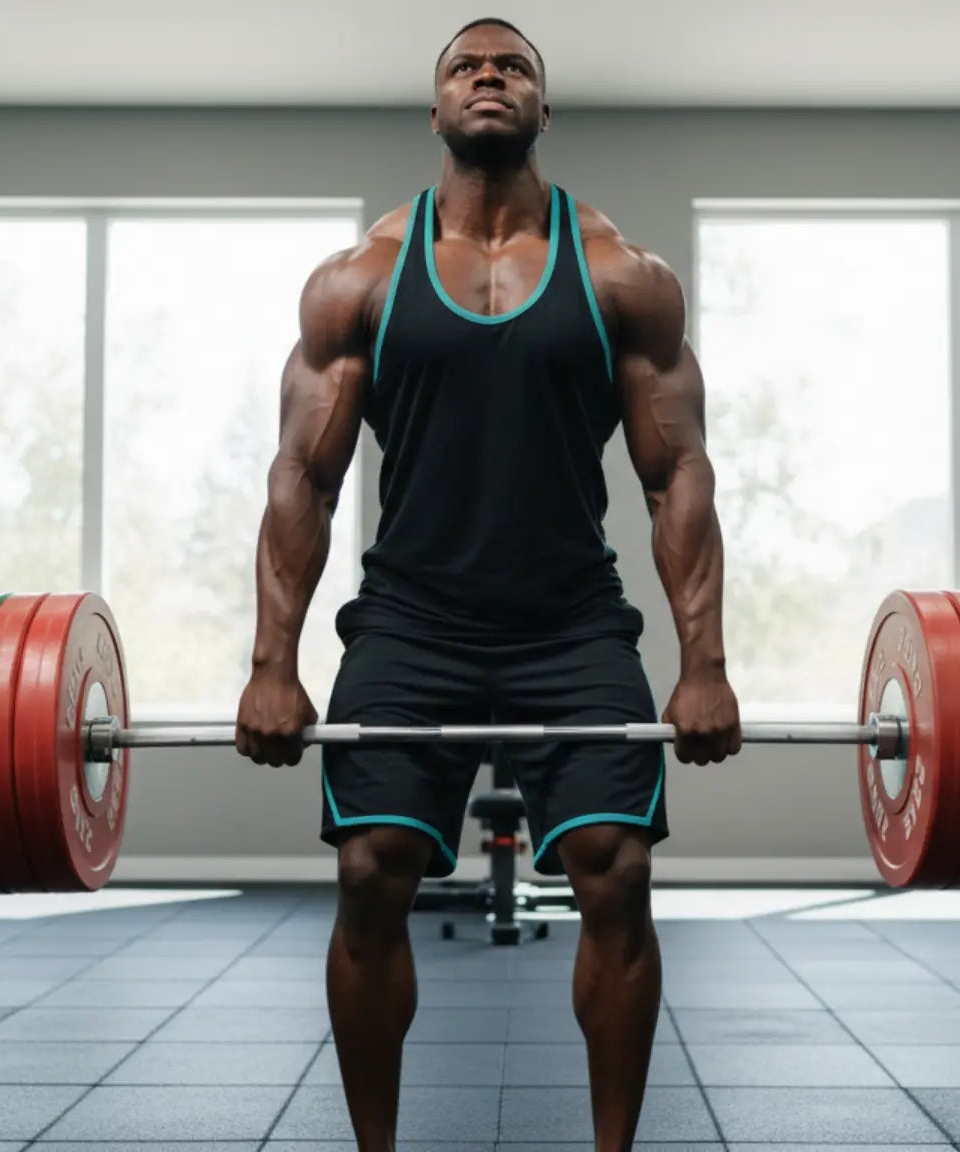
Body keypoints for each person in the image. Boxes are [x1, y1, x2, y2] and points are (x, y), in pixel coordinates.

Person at [236, 17, 740, 1151]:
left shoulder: (621, 275)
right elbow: (300, 480)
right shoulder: (359, 278)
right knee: (370, 871)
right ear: (435, 109)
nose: (488, 76)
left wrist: (701, 664)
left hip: (570, 622)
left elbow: (677, 478)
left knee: (614, 878)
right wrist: (273, 664)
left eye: (512, 65)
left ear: (542, 107)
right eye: (465, 64)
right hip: (410, 618)